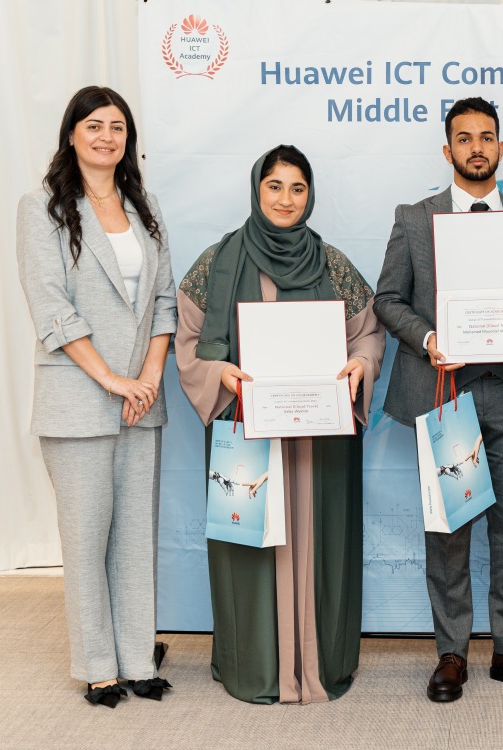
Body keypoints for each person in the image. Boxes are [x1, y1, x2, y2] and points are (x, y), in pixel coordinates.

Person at [176, 145, 385, 704]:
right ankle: (257, 666)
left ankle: (319, 663)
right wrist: (223, 374)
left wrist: (359, 365)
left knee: (320, 544)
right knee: (251, 542)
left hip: (321, 441)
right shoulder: (217, 262)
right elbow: (189, 342)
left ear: (310, 195)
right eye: (274, 186)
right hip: (247, 432)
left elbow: (368, 331)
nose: (285, 199)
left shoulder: (333, 263)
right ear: (256, 189)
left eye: (297, 188)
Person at [373, 97, 503, 702]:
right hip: (446, 390)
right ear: (447, 150)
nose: (476, 147)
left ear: (501, 149)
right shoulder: (414, 217)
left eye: (487, 137)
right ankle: (451, 652)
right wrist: (429, 339)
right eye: (464, 137)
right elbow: (388, 300)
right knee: (448, 525)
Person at [17, 86, 175, 707]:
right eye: (94, 126)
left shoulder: (147, 206)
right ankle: (99, 666)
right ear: (72, 134)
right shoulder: (42, 208)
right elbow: (50, 306)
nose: (107, 136)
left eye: (117, 127)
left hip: (142, 398)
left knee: (137, 537)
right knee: (87, 538)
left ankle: (137, 660)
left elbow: (163, 302)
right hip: (80, 397)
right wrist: (112, 378)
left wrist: (150, 377)